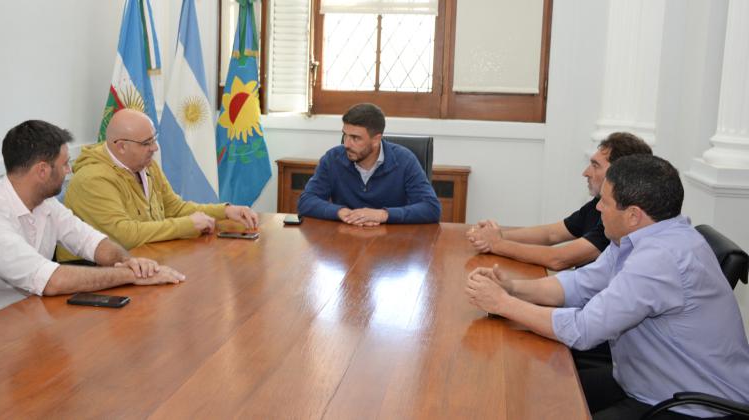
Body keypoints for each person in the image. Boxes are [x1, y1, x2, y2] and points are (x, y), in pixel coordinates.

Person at [465, 155, 749, 419]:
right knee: (532, 395)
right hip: (643, 380)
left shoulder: (661, 258)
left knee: (543, 403)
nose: (598, 207)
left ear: (634, 215)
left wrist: (503, 304)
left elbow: (583, 330)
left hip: (690, 406)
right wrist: (513, 288)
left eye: (605, 201)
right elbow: (580, 284)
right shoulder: (636, 238)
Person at [0, 120, 186, 324]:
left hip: (25, 318)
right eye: (64, 164)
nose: (70, 170)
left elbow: (92, 242)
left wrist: (131, 262)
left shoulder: (45, 203)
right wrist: (131, 276)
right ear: (42, 170)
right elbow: (52, 280)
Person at [59, 109, 258, 260]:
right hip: (94, 272)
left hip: (140, 259)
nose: (154, 148)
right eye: (146, 143)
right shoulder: (93, 179)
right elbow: (124, 235)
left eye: (154, 139)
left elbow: (175, 208)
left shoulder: (146, 164)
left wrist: (225, 211)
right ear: (121, 147)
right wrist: (188, 225)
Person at [466, 132, 652, 271]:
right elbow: (551, 234)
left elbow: (559, 259)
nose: (585, 172)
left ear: (620, 173)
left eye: (595, 166)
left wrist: (497, 244)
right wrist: (495, 235)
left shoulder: (620, 220)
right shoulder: (598, 205)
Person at [297, 103, 441, 226]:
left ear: (376, 139)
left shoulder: (405, 160)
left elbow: (431, 208)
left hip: (393, 245)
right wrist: (340, 212)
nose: (346, 144)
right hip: (345, 242)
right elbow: (306, 201)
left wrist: (383, 215)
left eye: (355, 138)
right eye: (345, 135)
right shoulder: (332, 159)